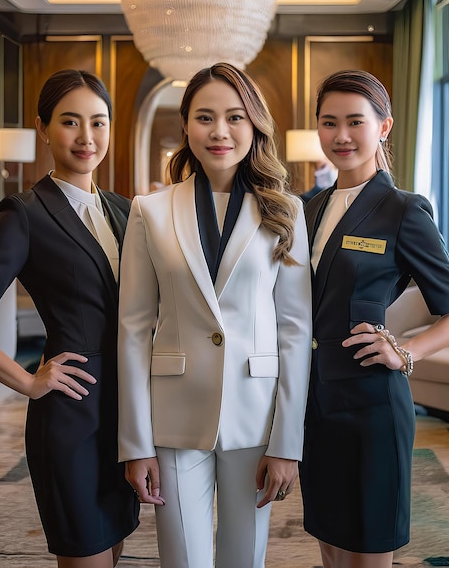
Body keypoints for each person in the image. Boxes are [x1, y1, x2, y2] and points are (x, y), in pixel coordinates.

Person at [0, 69, 139, 568]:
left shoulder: (124, 211)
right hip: (73, 413)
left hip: (129, 416)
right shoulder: (25, 214)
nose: (87, 138)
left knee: (113, 549)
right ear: (44, 127)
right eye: (70, 122)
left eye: (98, 122)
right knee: (85, 553)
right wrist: (27, 381)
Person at [117, 62, 312, 568]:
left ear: (255, 125)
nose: (220, 131)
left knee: (245, 559)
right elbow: (134, 329)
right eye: (205, 117)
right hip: (174, 416)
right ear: (186, 125)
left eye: (234, 117)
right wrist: (134, 444)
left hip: (257, 416)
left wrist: (288, 443)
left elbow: (295, 330)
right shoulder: (149, 211)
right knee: (182, 560)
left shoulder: (286, 212)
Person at [299, 69, 449, 568]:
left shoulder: (403, 210)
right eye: (329, 123)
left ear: (384, 127)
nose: (341, 135)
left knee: (368, 547)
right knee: (330, 541)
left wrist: (404, 351)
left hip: (371, 405)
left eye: (355, 121)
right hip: (313, 403)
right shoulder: (308, 209)